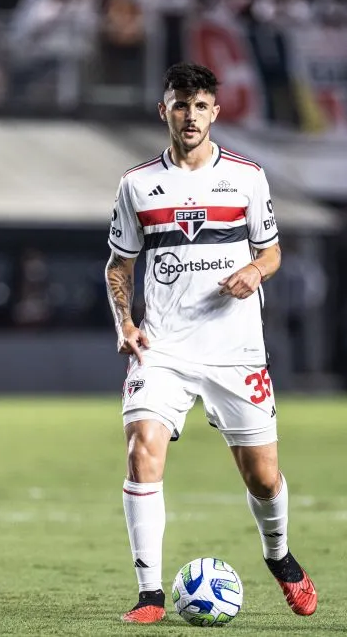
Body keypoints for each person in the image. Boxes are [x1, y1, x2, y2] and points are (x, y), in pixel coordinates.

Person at [104, 62, 317, 624]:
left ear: (215, 112)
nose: (190, 115)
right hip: (164, 349)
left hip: (235, 349)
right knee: (141, 448)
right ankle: (150, 595)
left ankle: (279, 557)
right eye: (180, 104)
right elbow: (118, 266)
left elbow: (271, 251)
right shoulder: (137, 184)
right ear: (164, 110)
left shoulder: (247, 177)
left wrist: (255, 272)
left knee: (264, 477)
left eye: (200, 106)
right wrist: (125, 322)